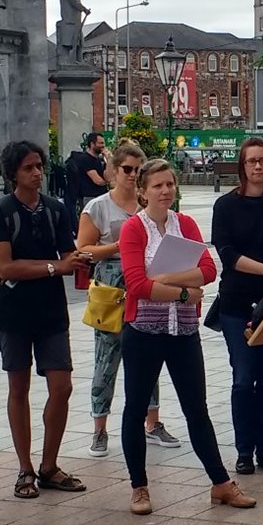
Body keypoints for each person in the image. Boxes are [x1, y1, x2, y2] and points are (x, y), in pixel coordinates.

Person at [117, 159, 257, 516]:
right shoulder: (134, 229)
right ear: (143, 190)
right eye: (157, 186)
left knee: (197, 409)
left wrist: (165, 280)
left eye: (169, 185)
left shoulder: (187, 224)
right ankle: (139, 486)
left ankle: (221, 484)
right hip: (144, 332)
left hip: (183, 332)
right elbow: (137, 285)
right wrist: (182, 291)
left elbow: (209, 270)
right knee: (136, 408)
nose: (165, 191)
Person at [0, 139, 87, 499]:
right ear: (13, 172)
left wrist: (80, 258)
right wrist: (54, 267)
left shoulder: (55, 209)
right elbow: (6, 265)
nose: (37, 173)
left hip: (50, 308)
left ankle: (49, 465)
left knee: (62, 386)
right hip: (12, 310)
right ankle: (25, 468)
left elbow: (69, 254)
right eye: (29, 167)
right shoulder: (1, 211)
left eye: (40, 166)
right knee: (20, 387)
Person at [77, 140, 175, 457]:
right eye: (127, 170)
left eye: (137, 170)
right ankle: (100, 429)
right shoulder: (99, 207)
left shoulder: (149, 206)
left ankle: (153, 422)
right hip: (111, 288)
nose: (132, 176)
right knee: (106, 359)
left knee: (149, 355)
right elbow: (83, 249)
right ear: (114, 171)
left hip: (147, 285)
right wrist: (119, 246)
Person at [211, 137, 263, 474]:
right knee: (243, 378)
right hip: (236, 303)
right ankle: (244, 450)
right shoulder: (225, 206)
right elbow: (228, 255)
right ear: (242, 167)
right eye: (251, 161)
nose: (258, 166)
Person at [64, 132, 107, 215]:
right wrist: (108, 182)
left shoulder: (99, 160)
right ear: (92, 144)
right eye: (100, 143)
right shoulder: (85, 159)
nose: (103, 145)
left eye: (103, 143)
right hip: (89, 197)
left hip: (100, 196)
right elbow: (98, 181)